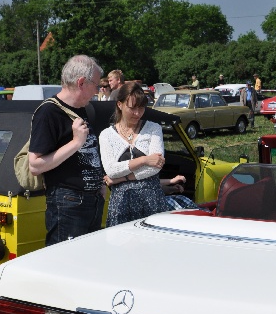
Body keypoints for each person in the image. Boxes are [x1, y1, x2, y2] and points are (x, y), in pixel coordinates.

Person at [28, 54, 105, 246]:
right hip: (68, 203)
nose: (97, 91)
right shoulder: (48, 112)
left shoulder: (82, 109)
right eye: (96, 85)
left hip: (91, 200)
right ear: (81, 82)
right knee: (66, 264)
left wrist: (99, 182)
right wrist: (76, 142)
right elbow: (35, 165)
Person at [99, 82, 173, 226]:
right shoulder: (106, 135)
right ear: (119, 105)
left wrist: (123, 178)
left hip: (152, 199)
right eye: (132, 108)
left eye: (141, 108)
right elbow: (111, 170)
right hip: (121, 203)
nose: (137, 113)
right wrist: (144, 160)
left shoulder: (153, 128)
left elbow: (156, 166)